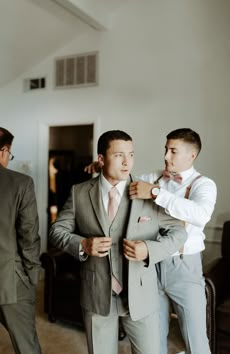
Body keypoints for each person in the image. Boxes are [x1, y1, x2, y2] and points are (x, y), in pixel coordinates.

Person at [49, 130, 187, 354]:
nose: (127, 163)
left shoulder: (148, 192)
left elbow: (178, 233)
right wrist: (82, 244)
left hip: (142, 297)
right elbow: (57, 230)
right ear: (101, 159)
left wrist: (149, 249)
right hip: (96, 295)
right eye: (119, 155)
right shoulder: (80, 193)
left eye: (131, 155)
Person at [129, 128, 217, 354]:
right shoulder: (154, 177)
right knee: (153, 337)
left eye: (173, 151)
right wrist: (104, 170)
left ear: (192, 155)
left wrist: (157, 193)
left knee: (196, 340)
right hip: (151, 264)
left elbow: (200, 214)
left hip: (184, 267)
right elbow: (127, 184)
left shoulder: (204, 184)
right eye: (166, 150)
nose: (166, 156)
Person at [0, 127, 42, 354]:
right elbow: (29, 236)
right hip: (11, 281)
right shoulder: (20, 183)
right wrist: (34, 275)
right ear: (3, 151)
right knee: (27, 346)